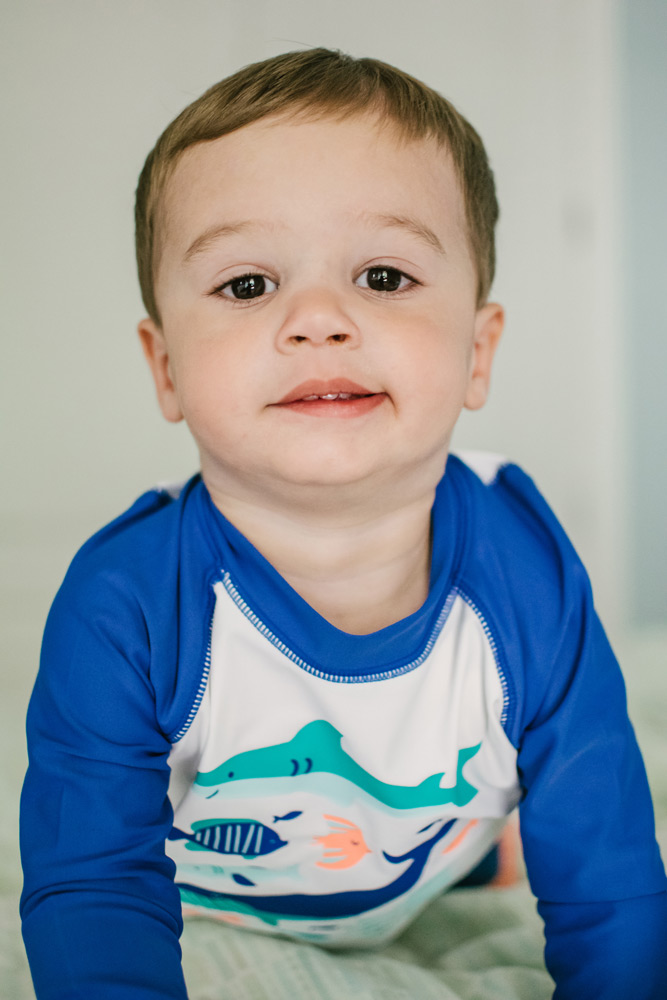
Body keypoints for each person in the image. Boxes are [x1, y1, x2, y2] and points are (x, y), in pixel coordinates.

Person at [19, 48, 666, 1000]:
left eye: (383, 275)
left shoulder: (527, 572)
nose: (319, 318)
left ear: (477, 351)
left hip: (420, 859)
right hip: (203, 892)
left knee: (537, 826)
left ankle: (479, 852)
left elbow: (609, 870)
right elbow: (92, 885)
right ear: (166, 369)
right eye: (249, 285)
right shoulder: (125, 603)